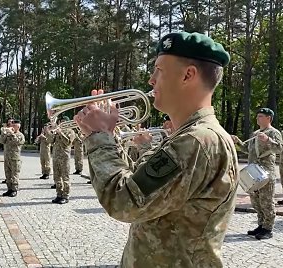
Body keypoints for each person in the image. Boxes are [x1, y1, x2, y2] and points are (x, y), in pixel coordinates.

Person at [74, 32, 238, 267]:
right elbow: (138, 186)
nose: (151, 80)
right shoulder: (189, 136)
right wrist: (102, 135)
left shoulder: (196, 141)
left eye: (159, 70)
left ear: (188, 75)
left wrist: (100, 137)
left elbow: (123, 202)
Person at [231, 108, 283, 239]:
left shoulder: (273, 133)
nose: (257, 118)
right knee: (256, 201)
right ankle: (261, 225)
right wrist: (238, 142)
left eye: (260, 116)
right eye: (257, 116)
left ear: (268, 118)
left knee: (266, 201)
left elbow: (280, 149)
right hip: (253, 172)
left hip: (266, 171)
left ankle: (268, 228)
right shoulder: (256, 133)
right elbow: (249, 150)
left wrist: (268, 140)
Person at [45, 116, 75, 204]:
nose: (61, 124)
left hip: (64, 158)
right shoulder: (56, 132)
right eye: (61, 122)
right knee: (56, 177)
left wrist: (60, 133)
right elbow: (50, 141)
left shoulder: (70, 132)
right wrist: (48, 132)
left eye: (64, 122)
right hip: (56, 157)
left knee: (65, 177)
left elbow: (68, 143)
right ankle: (59, 194)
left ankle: (66, 196)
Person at [0, 119, 25, 197]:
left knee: (14, 175)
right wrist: (4, 134)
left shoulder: (20, 135)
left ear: (18, 127)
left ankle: (14, 189)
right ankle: (9, 189)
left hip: (15, 158)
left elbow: (17, 142)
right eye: (12, 125)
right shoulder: (8, 134)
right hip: (7, 157)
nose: (12, 126)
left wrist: (12, 134)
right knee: (8, 174)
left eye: (14, 125)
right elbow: (1, 141)